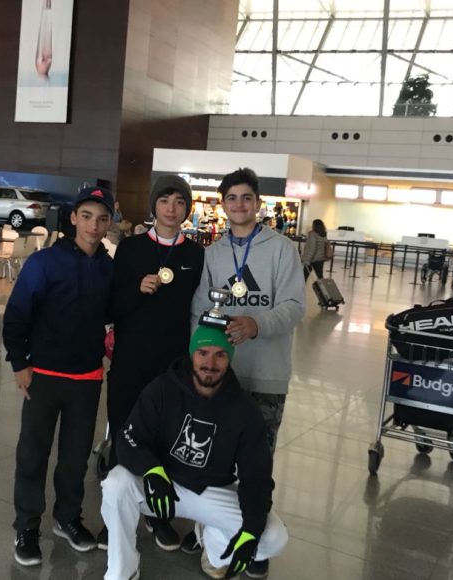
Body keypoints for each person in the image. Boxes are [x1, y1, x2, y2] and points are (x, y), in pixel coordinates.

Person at [101, 326, 288, 580]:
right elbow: (127, 439)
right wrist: (152, 469)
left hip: (211, 491)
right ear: (192, 355)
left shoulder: (244, 410)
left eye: (220, 355)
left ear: (229, 358)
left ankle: (213, 544)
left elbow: (256, 478)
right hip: (163, 486)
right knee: (116, 484)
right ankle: (122, 571)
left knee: (273, 537)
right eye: (203, 353)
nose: (210, 364)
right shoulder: (163, 389)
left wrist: (251, 531)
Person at [3, 186, 114, 567]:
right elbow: (17, 314)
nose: (93, 225)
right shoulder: (45, 262)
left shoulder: (108, 267)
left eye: (102, 219)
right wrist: (20, 364)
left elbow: (113, 311)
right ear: (74, 218)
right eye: (87, 216)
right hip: (45, 375)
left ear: (109, 224)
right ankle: (27, 527)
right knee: (33, 454)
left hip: (87, 377)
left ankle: (67, 518)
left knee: (75, 457)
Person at [103, 174, 204, 551]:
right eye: (165, 200)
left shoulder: (195, 255)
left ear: (187, 209)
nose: (172, 209)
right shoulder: (130, 249)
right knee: (122, 435)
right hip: (130, 361)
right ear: (153, 206)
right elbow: (111, 306)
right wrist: (137, 290)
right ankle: (114, 518)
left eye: (179, 202)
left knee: (166, 439)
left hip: (172, 367)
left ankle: (158, 515)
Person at [191, 167, 305, 455]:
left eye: (246, 197)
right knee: (216, 456)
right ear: (223, 204)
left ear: (257, 203)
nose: (239, 204)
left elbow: (294, 305)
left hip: (266, 376)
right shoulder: (212, 254)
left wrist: (256, 324)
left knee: (257, 460)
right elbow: (200, 311)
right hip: (220, 375)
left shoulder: (283, 249)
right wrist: (199, 358)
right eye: (231, 198)